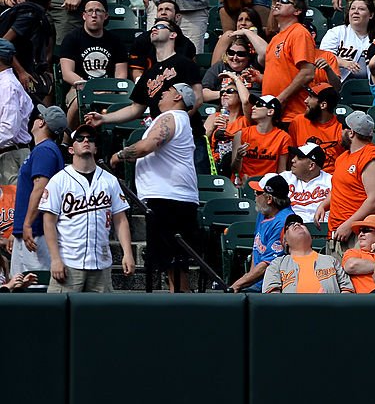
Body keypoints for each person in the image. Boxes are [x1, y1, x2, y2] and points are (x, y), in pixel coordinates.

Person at [105, 83, 198, 292]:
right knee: (173, 266)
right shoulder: (181, 120)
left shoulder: (171, 117)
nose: (162, 92)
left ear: (177, 97)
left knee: (172, 263)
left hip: (168, 199)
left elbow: (148, 145)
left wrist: (118, 156)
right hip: (175, 198)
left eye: (168, 90)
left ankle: (185, 311)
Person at [41, 125, 133, 292]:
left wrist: (127, 252)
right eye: (80, 139)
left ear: (95, 148)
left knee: (101, 317)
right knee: (60, 316)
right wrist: (55, 259)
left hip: (101, 264)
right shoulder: (59, 180)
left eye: (90, 139)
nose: (85, 141)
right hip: (68, 264)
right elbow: (48, 222)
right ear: (71, 149)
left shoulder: (109, 181)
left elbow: (120, 220)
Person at [316, 111, 375, 258]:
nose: (340, 132)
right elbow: (339, 188)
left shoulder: (371, 158)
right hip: (339, 231)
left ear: (351, 133)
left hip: (361, 233)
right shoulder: (343, 158)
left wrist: (349, 224)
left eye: (343, 128)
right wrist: (324, 205)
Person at [9, 104, 66, 274]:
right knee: (19, 287)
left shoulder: (45, 150)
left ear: (41, 123)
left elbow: (40, 188)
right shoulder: (43, 150)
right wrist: (19, 228)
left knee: (35, 287)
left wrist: (27, 225)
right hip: (28, 231)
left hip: (37, 232)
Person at [59, 0, 128, 126]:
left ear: (106, 15)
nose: (94, 15)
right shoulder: (72, 38)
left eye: (98, 11)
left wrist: (111, 88)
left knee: (128, 98)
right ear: (84, 15)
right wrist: (90, 88)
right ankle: (67, 139)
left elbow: (121, 74)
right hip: (79, 87)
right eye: (90, 11)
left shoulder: (115, 41)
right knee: (77, 101)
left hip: (109, 87)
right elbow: (67, 73)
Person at [230, 173, 295, 292]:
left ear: (269, 199)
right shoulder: (263, 213)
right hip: (258, 283)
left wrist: (237, 285)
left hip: (275, 286)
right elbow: (257, 249)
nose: (254, 196)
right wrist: (247, 280)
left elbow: (266, 265)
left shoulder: (283, 222)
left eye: (258, 193)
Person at [262, 214, 353, 293]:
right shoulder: (277, 264)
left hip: (330, 311)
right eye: (290, 225)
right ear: (285, 241)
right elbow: (272, 298)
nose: (297, 224)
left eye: (301, 224)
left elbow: (347, 290)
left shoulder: (330, 260)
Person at [263, 0, 316, 125]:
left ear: (297, 11)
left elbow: (307, 73)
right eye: (278, 0)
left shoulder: (299, 32)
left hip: (293, 114)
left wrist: (280, 99)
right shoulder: (276, 38)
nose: (278, 3)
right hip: (273, 112)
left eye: (285, 1)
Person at [0, 0, 53, 103]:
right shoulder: (29, 14)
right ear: (50, 1)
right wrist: (21, 72)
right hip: (7, 70)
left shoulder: (17, 10)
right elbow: (3, 44)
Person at [320, 0, 375, 83]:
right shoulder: (336, 32)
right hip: (340, 84)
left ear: (371, 15)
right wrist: (343, 63)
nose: (355, 12)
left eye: (361, 9)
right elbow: (324, 56)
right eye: (353, 8)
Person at [127, 0, 197, 80]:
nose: (163, 12)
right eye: (160, 10)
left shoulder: (187, 45)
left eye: (168, 9)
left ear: (177, 16)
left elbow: (191, 74)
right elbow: (137, 72)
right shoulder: (142, 40)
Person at [287, 84, 345, 174]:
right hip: (302, 177)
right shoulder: (298, 122)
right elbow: (291, 156)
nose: (305, 101)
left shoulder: (341, 128)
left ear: (323, 105)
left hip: (331, 179)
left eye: (310, 97)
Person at [233, 94, 290, 182]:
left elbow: (281, 171)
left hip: (268, 186)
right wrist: (238, 157)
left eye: (259, 104)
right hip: (243, 184)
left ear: (270, 111)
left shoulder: (283, 137)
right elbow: (234, 170)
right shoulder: (241, 134)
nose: (253, 107)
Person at [205, 73, 251, 176]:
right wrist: (213, 127)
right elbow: (202, 141)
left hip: (238, 167)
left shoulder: (245, 120)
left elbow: (247, 101)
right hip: (214, 167)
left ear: (239, 96)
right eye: (222, 92)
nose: (224, 94)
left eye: (230, 91)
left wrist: (235, 78)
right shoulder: (214, 117)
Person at [0, 38, 31, 185]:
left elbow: (8, 129)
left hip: (12, 157)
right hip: (8, 155)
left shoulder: (8, 86)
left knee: (14, 206)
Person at [279, 144, 332, 224]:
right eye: (294, 156)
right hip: (291, 229)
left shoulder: (330, 181)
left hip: (321, 231)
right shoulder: (285, 178)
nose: (293, 160)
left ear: (311, 166)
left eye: (299, 158)